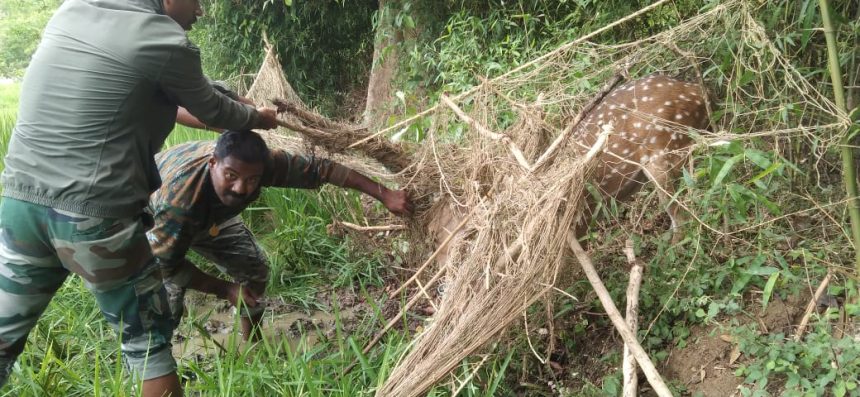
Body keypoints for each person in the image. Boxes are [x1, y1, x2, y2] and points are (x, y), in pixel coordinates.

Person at [0, 0, 279, 395]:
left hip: (19, 205)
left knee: (2, 334)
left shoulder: (71, 11)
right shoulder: (163, 37)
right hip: (95, 216)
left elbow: (166, 94)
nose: (199, 11)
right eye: (197, 0)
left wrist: (230, 102)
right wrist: (256, 118)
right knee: (147, 346)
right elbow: (214, 110)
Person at [147, 130, 413, 341]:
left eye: (252, 180)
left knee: (254, 270)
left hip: (214, 217)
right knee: (165, 304)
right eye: (231, 176)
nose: (241, 188)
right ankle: (160, 364)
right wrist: (226, 289)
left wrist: (384, 194)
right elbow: (167, 266)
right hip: (156, 217)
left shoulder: (264, 165)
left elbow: (324, 169)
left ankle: (253, 344)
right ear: (213, 163)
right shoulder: (179, 201)